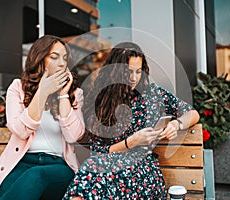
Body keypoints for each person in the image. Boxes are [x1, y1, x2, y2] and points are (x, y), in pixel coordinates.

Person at [63, 42, 200, 199]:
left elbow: (192, 113)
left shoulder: (153, 95)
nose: (134, 78)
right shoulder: (100, 100)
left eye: (138, 71)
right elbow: (99, 152)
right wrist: (131, 142)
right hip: (106, 168)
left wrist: (177, 124)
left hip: (141, 172)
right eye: (128, 72)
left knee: (91, 174)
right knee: (91, 170)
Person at [0, 35, 85, 200]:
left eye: (65, 58)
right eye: (54, 57)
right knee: (7, 189)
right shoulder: (18, 88)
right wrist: (42, 92)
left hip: (58, 166)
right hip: (22, 162)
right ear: (40, 59)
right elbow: (20, 130)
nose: (62, 63)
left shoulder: (75, 94)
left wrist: (63, 95)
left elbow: (73, 135)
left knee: (35, 176)